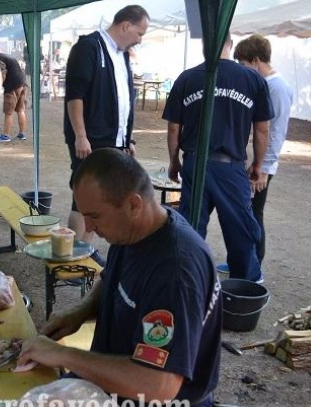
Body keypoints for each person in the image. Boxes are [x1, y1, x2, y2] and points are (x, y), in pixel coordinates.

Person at [18, 148, 222, 407]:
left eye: (95, 217)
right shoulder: (135, 231)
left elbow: (159, 387)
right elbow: (113, 277)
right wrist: (78, 311)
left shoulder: (175, 272)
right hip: (116, 391)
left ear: (133, 203)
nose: (91, 230)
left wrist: (64, 355)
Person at [162, 33, 272, 283]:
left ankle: (186, 279)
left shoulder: (187, 78)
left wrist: (174, 161)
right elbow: (262, 129)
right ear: (230, 45)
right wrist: (258, 164)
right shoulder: (252, 79)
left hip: (196, 164)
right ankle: (245, 284)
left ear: (205, 47)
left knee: (191, 228)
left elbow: (173, 128)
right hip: (230, 166)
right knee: (240, 229)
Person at [64, 5, 150, 266]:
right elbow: (75, 95)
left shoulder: (121, 55)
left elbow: (123, 99)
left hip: (115, 141)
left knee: (101, 202)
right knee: (83, 199)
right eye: (139, 32)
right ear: (125, 25)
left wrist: (128, 139)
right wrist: (80, 135)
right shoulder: (89, 47)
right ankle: (69, 258)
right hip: (91, 141)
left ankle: (84, 254)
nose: (140, 39)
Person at [232, 34, 294, 267]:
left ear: (256, 60)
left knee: (255, 213)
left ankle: (254, 263)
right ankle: (244, 259)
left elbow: (276, 131)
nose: (242, 69)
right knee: (245, 211)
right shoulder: (265, 85)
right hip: (257, 162)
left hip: (264, 165)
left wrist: (265, 167)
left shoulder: (276, 88)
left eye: (244, 64)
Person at [0, 45, 28, 142]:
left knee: (8, 112)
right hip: (23, 84)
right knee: (20, 110)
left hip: (12, 87)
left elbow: (2, 75)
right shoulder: (9, 57)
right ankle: (22, 134)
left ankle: (5, 136)